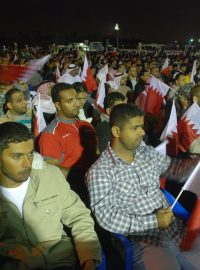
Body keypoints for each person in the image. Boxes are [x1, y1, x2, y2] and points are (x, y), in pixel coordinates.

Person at [87, 103, 199, 270]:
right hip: (142, 240)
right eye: (136, 128)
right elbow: (107, 216)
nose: (143, 132)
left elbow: (174, 169)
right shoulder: (100, 171)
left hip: (174, 230)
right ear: (116, 131)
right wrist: (153, 221)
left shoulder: (145, 152)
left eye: (142, 126)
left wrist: (196, 163)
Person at [0, 122, 101, 270]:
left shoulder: (50, 176)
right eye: (17, 157)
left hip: (60, 263)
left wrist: (89, 259)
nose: (27, 163)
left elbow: (79, 217)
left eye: (30, 154)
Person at [39, 83, 98, 204]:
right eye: (70, 101)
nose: (77, 103)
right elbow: (52, 170)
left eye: (76, 99)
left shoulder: (86, 126)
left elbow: (97, 153)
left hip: (98, 187)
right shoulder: (50, 134)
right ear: (58, 105)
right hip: (74, 194)